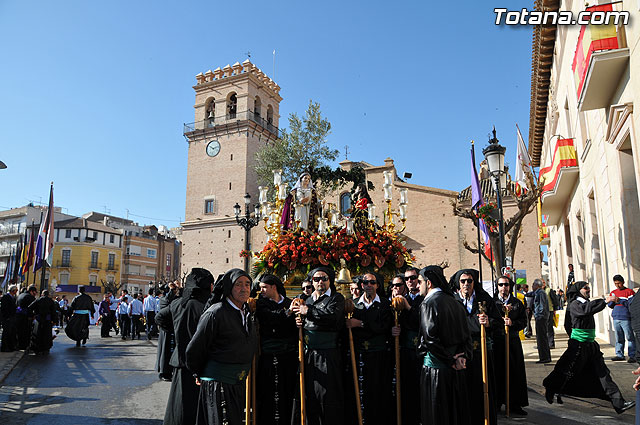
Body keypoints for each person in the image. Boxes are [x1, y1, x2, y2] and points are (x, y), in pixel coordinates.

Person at [543, 281, 635, 414]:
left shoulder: (586, 303)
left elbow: (591, 307)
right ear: (578, 291)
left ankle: (618, 403)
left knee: (603, 372)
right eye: (585, 288)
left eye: (589, 287)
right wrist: (604, 300)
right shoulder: (575, 304)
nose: (588, 290)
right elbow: (584, 312)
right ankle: (551, 388)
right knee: (566, 369)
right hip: (578, 345)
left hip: (591, 345)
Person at [185, 269, 258, 425]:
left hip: (237, 383)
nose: (244, 288)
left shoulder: (246, 312)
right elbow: (195, 348)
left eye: (247, 284)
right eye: (238, 284)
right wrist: (197, 372)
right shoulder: (216, 312)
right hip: (219, 383)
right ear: (229, 287)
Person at [157, 268, 214, 425]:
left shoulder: (177, 304)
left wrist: (174, 329)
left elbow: (160, 317)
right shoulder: (209, 307)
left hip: (181, 361)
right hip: (203, 363)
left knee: (180, 406)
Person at [290, 266, 345, 425]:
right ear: (311, 281)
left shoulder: (336, 298)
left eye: (324, 278)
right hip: (307, 353)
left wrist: (309, 312)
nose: (320, 282)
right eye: (316, 279)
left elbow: (333, 318)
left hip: (327, 354)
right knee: (308, 393)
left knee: (326, 394)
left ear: (330, 281)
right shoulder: (305, 299)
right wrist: (299, 321)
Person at [418, 265, 472, 425]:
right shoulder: (455, 302)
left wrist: (449, 360)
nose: (417, 285)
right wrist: (462, 356)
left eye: (420, 281)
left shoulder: (428, 303)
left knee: (436, 415)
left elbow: (430, 339)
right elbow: (466, 336)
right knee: (453, 414)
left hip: (436, 371)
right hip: (455, 369)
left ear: (429, 283)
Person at [451, 268, 500, 425]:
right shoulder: (453, 301)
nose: (466, 284)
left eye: (469, 281)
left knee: (483, 389)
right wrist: (474, 324)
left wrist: (489, 322)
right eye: (463, 281)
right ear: (458, 284)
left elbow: (498, 322)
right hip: (461, 353)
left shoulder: (484, 299)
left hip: (482, 353)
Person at [345, 272, 393, 425]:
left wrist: (361, 324)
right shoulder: (353, 304)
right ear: (362, 285)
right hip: (359, 354)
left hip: (379, 354)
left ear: (377, 285)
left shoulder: (385, 304)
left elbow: (383, 327)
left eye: (372, 282)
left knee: (377, 390)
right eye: (366, 282)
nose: (369, 285)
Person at [254, 274, 298, 425]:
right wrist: (288, 313)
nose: (262, 291)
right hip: (269, 355)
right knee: (268, 391)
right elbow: (270, 317)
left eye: (264, 287)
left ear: (274, 287)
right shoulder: (261, 304)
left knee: (287, 390)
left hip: (288, 357)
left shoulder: (289, 302)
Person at [493, 276, 528, 415]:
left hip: (512, 342)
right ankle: (496, 403)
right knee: (497, 372)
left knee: (514, 372)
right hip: (497, 342)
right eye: (501, 285)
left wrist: (512, 323)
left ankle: (515, 404)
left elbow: (523, 321)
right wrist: (499, 321)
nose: (503, 287)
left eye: (506, 285)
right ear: (497, 286)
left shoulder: (517, 303)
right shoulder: (492, 303)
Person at [392, 267, 423, 425]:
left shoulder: (424, 298)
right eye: (407, 279)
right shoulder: (401, 298)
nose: (410, 281)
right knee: (406, 386)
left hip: (421, 349)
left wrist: (408, 307)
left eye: (413, 278)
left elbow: (423, 321)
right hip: (405, 349)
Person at [607, 274, 636, 363]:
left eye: (619, 283)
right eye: (615, 283)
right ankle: (619, 354)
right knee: (619, 337)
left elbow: (631, 304)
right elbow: (610, 305)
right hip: (616, 317)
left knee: (629, 337)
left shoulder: (629, 292)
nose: (617, 285)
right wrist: (612, 300)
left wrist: (619, 300)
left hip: (625, 317)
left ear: (622, 282)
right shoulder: (613, 292)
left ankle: (632, 355)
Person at [156, 282, 179, 381]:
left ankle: (168, 371)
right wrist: (172, 289)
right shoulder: (164, 300)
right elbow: (169, 299)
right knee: (165, 351)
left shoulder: (168, 300)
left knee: (169, 350)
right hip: (166, 328)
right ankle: (164, 372)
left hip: (170, 328)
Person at [28, 290, 57, 354]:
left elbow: (30, 307)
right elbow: (54, 312)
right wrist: (54, 321)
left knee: (38, 334)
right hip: (47, 320)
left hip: (39, 319)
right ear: (48, 294)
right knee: (46, 334)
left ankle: (37, 348)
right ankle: (45, 348)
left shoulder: (38, 300)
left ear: (42, 294)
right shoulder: (51, 301)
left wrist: (33, 315)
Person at [532, 279, 551, 363]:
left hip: (541, 318)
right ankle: (543, 356)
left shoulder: (541, 293)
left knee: (542, 338)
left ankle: (545, 357)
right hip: (540, 317)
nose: (532, 286)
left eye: (533, 285)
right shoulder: (538, 292)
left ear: (537, 285)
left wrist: (539, 315)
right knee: (540, 338)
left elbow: (542, 306)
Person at [15, 285, 37, 350]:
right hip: (25, 317)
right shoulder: (30, 297)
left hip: (18, 316)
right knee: (25, 332)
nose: (35, 294)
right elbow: (32, 308)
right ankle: (24, 346)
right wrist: (32, 316)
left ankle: (18, 345)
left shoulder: (20, 295)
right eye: (35, 292)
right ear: (32, 291)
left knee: (19, 332)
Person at [1, 285, 18, 352]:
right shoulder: (5, 297)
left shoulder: (13, 297)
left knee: (11, 333)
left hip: (12, 318)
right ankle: (5, 347)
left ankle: (10, 346)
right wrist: (7, 317)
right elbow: (4, 308)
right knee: (6, 333)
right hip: (7, 318)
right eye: (15, 290)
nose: (16, 292)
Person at [543, 281, 558, 349]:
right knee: (543, 329)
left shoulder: (549, 290)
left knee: (549, 328)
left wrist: (555, 309)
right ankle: (545, 344)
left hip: (549, 310)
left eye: (543, 283)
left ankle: (551, 343)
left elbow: (554, 300)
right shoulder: (538, 291)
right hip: (542, 312)